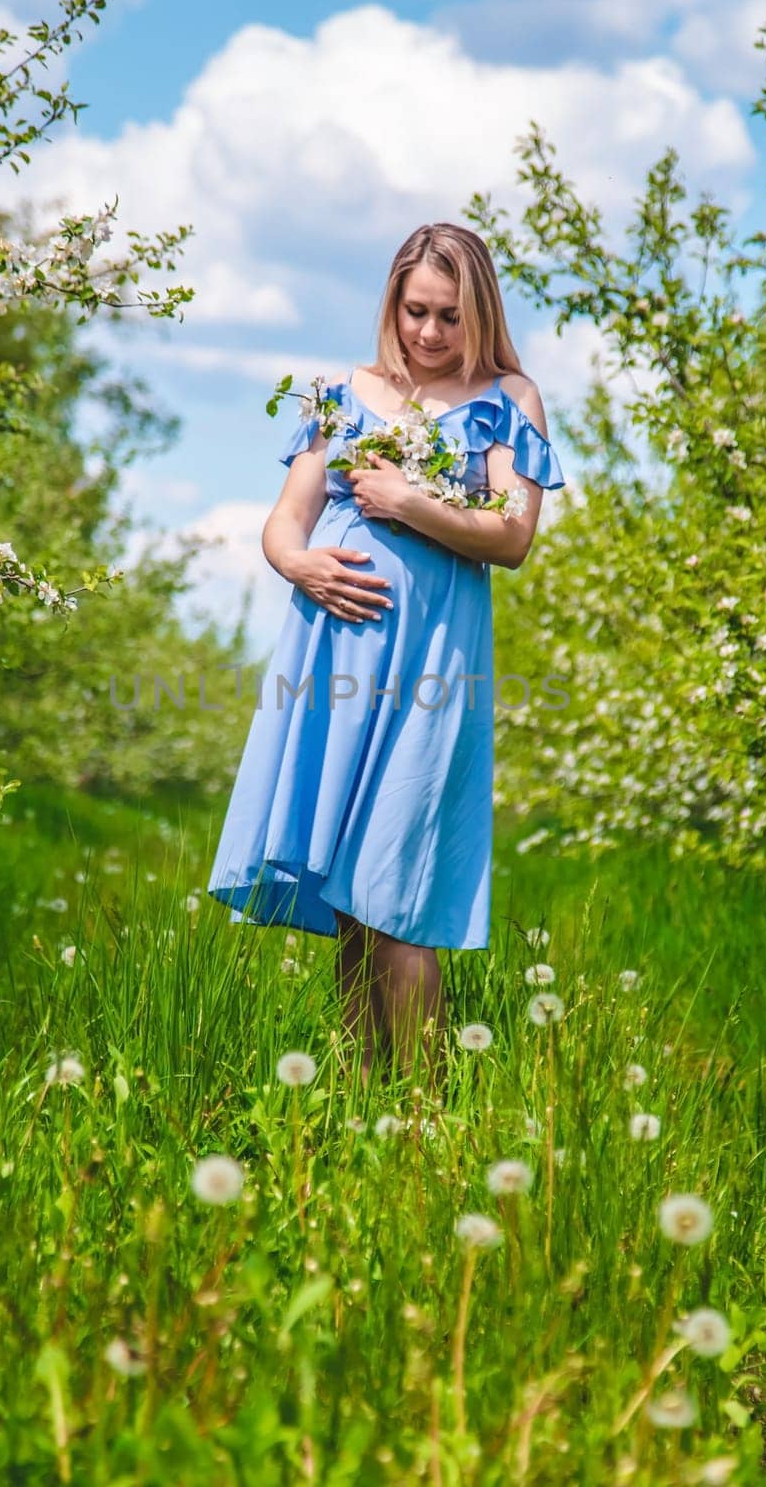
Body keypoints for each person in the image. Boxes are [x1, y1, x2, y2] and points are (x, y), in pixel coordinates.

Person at [207, 221, 566, 1094]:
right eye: (415, 312)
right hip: (332, 655)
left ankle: (428, 1117)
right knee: (349, 897)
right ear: (392, 303)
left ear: (477, 312)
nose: (431, 334)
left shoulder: (507, 398)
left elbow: (512, 538)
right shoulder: (337, 390)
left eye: (449, 316)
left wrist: (408, 502)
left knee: (398, 895)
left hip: (434, 668)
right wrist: (295, 561)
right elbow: (286, 517)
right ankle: (362, 1103)